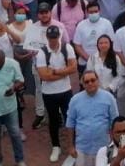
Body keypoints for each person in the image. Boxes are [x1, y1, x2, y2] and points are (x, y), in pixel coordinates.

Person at [35, 26, 77, 161]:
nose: (53, 40)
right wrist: (64, 72)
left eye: (55, 37)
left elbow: (74, 68)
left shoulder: (67, 48)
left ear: (58, 36)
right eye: (50, 38)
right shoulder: (41, 53)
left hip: (66, 90)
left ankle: (72, 145)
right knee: (53, 120)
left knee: (69, 118)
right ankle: (56, 146)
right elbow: (44, 76)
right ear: (47, 38)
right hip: (49, 93)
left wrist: (55, 71)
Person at [66, 70, 118, 166]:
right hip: (82, 148)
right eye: (87, 82)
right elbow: (70, 124)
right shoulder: (75, 100)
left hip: (104, 148)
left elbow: (116, 123)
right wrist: (70, 146)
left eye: (93, 80)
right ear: (83, 84)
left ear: (98, 81)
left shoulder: (109, 97)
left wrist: (116, 145)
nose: (90, 83)